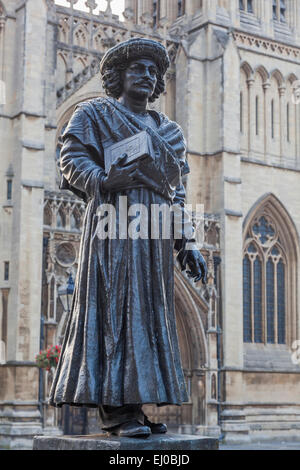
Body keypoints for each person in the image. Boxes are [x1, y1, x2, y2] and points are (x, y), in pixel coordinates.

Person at [49, 38, 207, 438]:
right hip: (111, 226)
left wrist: (187, 241)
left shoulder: (169, 130)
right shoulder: (94, 113)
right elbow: (70, 158)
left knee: (150, 315)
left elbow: (177, 190)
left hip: (153, 235)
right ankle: (116, 412)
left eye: (153, 72)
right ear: (119, 76)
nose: (147, 76)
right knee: (113, 311)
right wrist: (103, 178)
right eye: (138, 69)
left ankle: (136, 404)